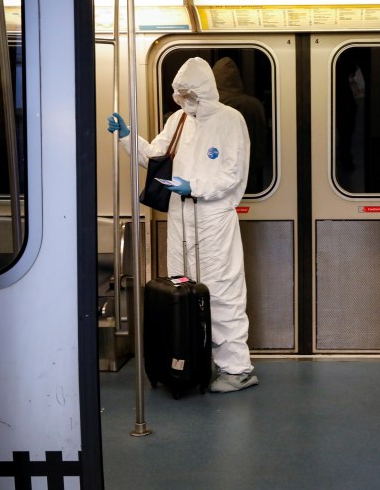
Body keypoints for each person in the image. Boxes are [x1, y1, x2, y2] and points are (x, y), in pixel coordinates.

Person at [107, 57, 258, 393]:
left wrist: (195, 187)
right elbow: (155, 156)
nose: (187, 99)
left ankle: (237, 368)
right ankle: (191, 358)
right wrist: (128, 137)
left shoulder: (230, 120)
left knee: (222, 292)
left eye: (193, 93)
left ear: (206, 90)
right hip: (179, 217)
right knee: (183, 289)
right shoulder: (177, 120)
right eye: (182, 93)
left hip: (213, 218)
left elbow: (231, 173)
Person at [211, 57, 268, 194]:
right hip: (248, 174)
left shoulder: (206, 107)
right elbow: (261, 142)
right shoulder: (254, 105)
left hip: (214, 177)